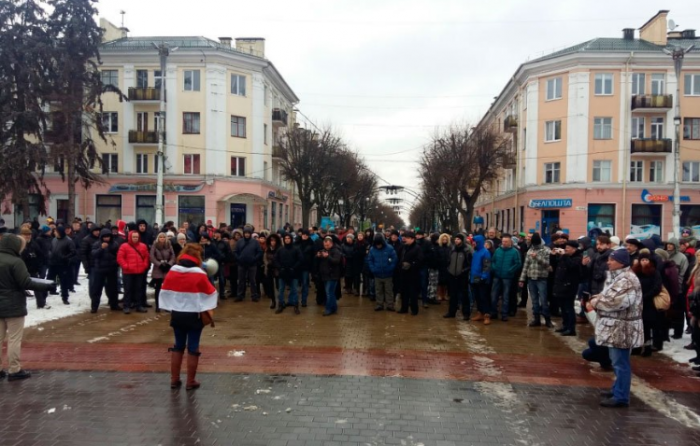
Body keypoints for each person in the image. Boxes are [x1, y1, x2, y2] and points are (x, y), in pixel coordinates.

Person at [587, 248, 643, 408]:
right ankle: (617, 389)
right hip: (615, 327)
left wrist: (596, 302)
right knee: (616, 361)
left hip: (622, 328)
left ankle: (621, 396)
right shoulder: (619, 277)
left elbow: (618, 302)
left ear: (621, 262)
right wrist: (599, 297)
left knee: (621, 363)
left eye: (612, 259)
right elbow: (611, 296)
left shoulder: (627, 280)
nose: (608, 262)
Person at [159, 243, 217, 390]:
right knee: (193, 347)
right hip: (194, 315)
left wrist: (171, 305)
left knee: (178, 346)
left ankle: (174, 379)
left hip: (177, 314)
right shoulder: (199, 273)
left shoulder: (173, 270)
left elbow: (165, 290)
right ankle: (190, 381)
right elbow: (211, 293)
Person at [0, 234, 56, 381]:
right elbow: (25, 282)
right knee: (14, 339)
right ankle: (14, 369)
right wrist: (46, 286)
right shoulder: (16, 262)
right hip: (13, 306)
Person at [519, 233, 553, 328]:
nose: (534, 245)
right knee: (534, 300)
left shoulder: (546, 250)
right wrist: (522, 279)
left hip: (542, 278)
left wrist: (537, 257)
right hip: (531, 279)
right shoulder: (530, 250)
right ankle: (536, 319)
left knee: (543, 300)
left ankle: (547, 319)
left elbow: (548, 265)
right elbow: (525, 266)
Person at [553, 240, 582, 336]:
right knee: (563, 307)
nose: (566, 249)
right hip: (560, 285)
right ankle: (565, 326)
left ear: (574, 249)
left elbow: (571, 266)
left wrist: (564, 255)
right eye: (566, 248)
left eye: (568, 248)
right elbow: (558, 264)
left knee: (569, 308)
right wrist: (556, 255)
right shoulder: (566, 257)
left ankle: (571, 328)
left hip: (569, 286)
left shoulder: (578, 258)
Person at [117, 231, 150, 314]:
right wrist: (126, 266)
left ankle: (139, 305)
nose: (135, 238)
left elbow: (146, 257)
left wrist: (144, 265)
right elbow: (120, 258)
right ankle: (126, 306)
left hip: (139, 271)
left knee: (139, 289)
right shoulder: (124, 246)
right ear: (130, 237)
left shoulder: (143, 246)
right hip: (128, 272)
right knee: (128, 289)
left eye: (137, 237)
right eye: (134, 237)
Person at [490, 234, 521, 322]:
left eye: (506, 241)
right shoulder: (498, 250)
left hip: (507, 277)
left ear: (510, 242)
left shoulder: (514, 252)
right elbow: (493, 261)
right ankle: (493, 313)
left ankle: (504, 314)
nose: (504, 243)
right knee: (494, 295)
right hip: (497, 276)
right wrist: (494, 268)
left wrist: (510, 270)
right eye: (503, 241)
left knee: (506, 296)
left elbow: (518, 263)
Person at [89, 229, 122, 313]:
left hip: (112, 269)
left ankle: (114, 305)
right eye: (105, 237)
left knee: (113, 289)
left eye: (108, 236)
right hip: (100, 270)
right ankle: (94, 307)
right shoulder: (97, 244)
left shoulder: (114, 244)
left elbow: (118, 255)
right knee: (97, 289)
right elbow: (94, 254)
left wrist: (116, 264)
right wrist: (101, 248)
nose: (107, 238)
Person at [443, 233, 472, 320]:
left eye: (458, 239)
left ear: (462, 240)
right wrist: (448, 270)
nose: (456, 240)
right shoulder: (452, 249)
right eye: (455, 239)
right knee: (453, 295)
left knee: (464, 295)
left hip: (462, 276)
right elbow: (448, 261)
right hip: (452, 275)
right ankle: (451, 312)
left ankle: (466, 313)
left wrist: (463, 271)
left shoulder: (467, 250)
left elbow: (469, 264)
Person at [19, 227, 48, 309]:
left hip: (32, 269)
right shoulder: (17, 244)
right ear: (21, 235)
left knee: (37, 287)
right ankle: (21, 306)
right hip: (20, 270)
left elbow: (40, 256)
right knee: (20, 289)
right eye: (25, 235)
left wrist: (39, 268)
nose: (28, 236)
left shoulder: (34, 244)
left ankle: (41, 303)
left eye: (29, 235)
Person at [367, 233, 397, 311]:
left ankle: (390, 305)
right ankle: (379, 304)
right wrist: (373, 269)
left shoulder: (390, 248)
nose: (378, 246)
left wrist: (390, 268)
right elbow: (370, 260)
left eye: (379, 244)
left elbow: (394, 260)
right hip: (377, 274)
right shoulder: (372, 249)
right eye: (377, 244)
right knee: (378, 290)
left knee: (389, 290)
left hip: (388, 274)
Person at [47, 226, 76, 305]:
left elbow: (73, 252)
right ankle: (43, 297)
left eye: (56, 231)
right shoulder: (54, 239)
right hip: (53, 264)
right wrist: (50, 255)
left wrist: (65, 257)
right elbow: (50, 249)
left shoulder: (68, 241)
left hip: (63, 265)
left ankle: (65, 297)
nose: (54, 233)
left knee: (64, 282)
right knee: (48, 280)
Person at [397, 231, 424, 315]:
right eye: (405, 238)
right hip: (404, 273)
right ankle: (404, 308)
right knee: (404, 292)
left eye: (408, 238)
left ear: (413, 239)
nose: (406, 239)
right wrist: (401, 264)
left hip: (413, 275)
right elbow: (400, 257)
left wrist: (411, 265)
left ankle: (414, 310)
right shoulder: (404, 247)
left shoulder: (417, 248)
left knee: (413, 293)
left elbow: (420, 260)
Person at [275, 233, 302, 314]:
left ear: (291, 239)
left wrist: (294, 267)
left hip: (293, 273)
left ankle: (296, 305)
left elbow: (300, 259)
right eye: (285, 238)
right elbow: (275, 260)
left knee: (294, 290)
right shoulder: (280, 249)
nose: (287, 240)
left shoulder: (296, 249)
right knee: (281, 290)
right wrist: (280, 268)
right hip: (282, 273)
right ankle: (280, 304)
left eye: (288, 238)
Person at [234, 227, 263, 302]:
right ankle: (240, 295)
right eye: (245, 233)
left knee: (253, 281)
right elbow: (235, 252)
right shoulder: (239, 241)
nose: (247, 234)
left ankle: (254, 296)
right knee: (241, 280)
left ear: (250, 234)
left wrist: (254, 259)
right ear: (243, 234)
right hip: (241, 264)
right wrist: (239, 258)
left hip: (252, 264)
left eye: (248, 233)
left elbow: (260, 252)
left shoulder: (255, 242)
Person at [150, 232, 176, 313]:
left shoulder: (169, 245)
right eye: (160, 237)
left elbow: (173, 256)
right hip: (158, 268)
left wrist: (169, 264)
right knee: (158, 288)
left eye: (163, 237)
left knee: (167, 288)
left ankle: (166, 305)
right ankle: (158, 305)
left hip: (167, 267)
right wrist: (159, 264)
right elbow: (152, 256)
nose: (162, 239)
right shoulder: (155, 245)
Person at [317, 236, 342, 316]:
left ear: (331, 244)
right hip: (325, 275)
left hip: (332, 275)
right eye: (325, 245)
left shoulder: (336, 251)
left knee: (329, 293)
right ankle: (334, 308)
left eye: (327, 245)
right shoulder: (323, 250)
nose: (326, 247)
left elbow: (336, 261)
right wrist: (318, 256)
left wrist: (327, 256)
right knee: (331, 293)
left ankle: (328, 309)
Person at [470, 235, 492, 324]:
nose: (473, 243)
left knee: (484, 297)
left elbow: (486, 266)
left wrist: (484, 276)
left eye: (474, 242)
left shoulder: (485, 252)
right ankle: (480, 313)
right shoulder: (475, 252)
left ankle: (487, 315)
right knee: (477, 297)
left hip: (482, 279)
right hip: (474, 278)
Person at [296, 229, 315, 307]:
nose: (304, 236)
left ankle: (304, 301)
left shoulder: (311, 244)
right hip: (296, 266)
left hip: (306, 267)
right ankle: (295, 300)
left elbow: (313, 257)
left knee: (305, 284)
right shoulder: (297, 243)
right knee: (295, 284)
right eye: (303, 234)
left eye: (306, 235)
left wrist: (312, 267)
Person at [263, 234, 281, 309]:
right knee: (270, 286)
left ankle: (280, 301)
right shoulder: (267, 249)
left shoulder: (280, 249)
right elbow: (264, 258)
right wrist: (268, 264)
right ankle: (273, 301)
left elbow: (281, 259)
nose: (272, 242)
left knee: (278, 286)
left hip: (277, 270)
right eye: (271, 240)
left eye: (274, 241)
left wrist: (275, 264)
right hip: (269, 269)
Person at [436, 234, 452, 302]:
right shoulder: (438, 247)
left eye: (446, 239)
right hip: (440, 266)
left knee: (446, 282)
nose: (444, 240)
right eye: (443, 239)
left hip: (447, 266)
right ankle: (440, 294)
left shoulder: (450, 247)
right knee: (440, 282)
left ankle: (445, 294)